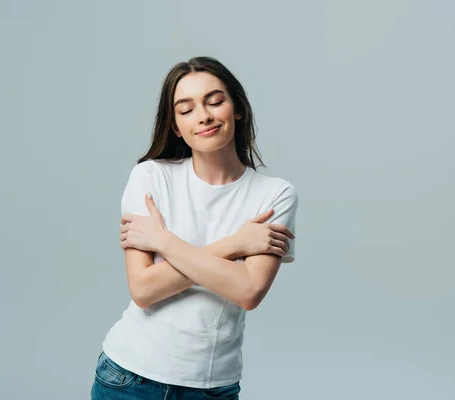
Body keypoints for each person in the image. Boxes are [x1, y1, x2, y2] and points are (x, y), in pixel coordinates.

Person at [91, 56, 299, 399]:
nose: (203, 115)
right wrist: (234, 245)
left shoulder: (275, 194)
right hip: (128, 378)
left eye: (214, 102)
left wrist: (163, 242)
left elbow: (248, 292)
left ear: (237, 109)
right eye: (185, 109)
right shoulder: (151, 176)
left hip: (212, 387)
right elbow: (143, 290)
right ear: (175, 126)